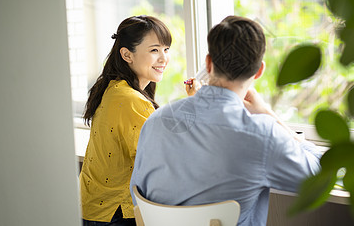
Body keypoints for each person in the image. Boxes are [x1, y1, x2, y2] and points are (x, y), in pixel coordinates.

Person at [129, 15, 321, 226]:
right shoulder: (262, 135)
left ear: (209, 63)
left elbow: (136, 192)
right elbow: (322, 175)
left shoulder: (156, 120)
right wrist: (268, 115)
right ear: (259, 71)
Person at [80, 15, 172, 226]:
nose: (163, 58)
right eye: (154, 50)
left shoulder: (113, 86)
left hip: (95, 208)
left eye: (166, 49)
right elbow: (157, 161)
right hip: (115, 213)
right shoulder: (132, 100)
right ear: (127, 55)